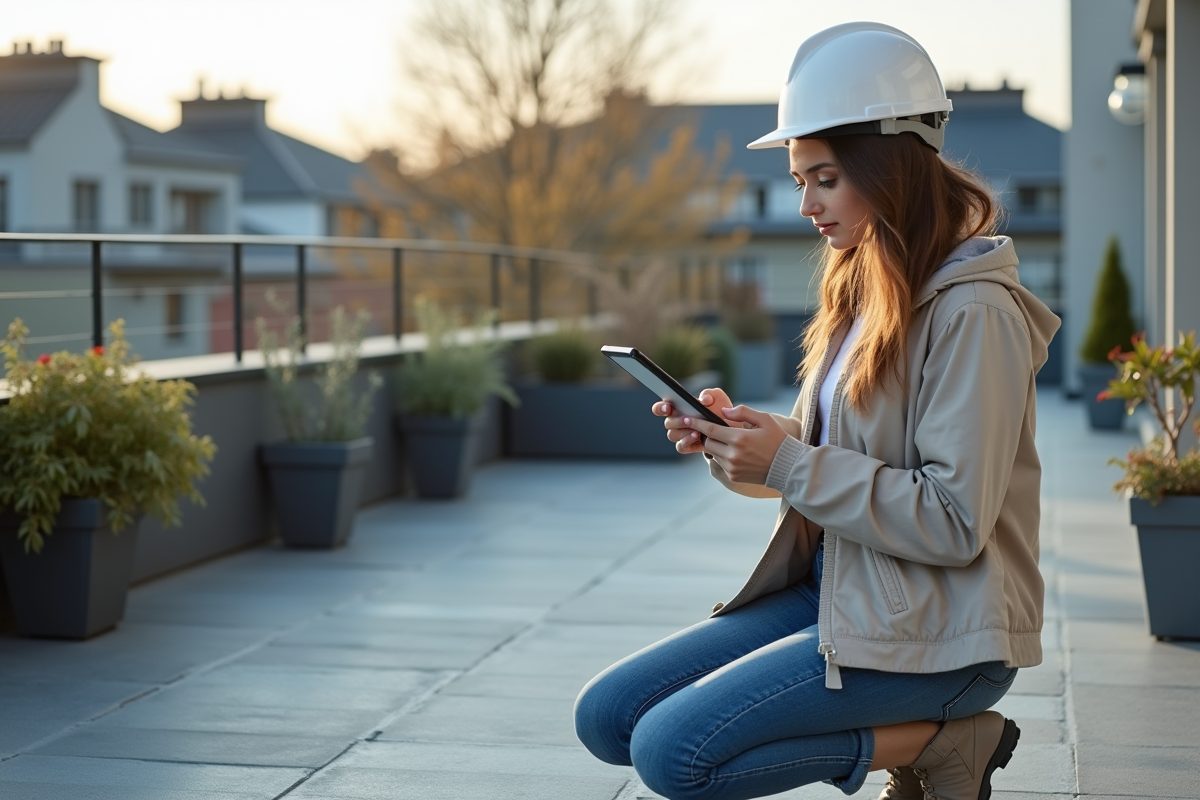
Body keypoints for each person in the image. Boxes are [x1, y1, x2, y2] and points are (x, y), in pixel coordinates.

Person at [573, 21, 1060, 800]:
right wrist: (742, 446)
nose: (805, 204)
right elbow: (835, 457)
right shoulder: (861, 286)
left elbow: (953, 517)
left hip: (941, 635)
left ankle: (943, 741)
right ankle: (925, 739)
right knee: (607, 716)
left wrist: (790, 463)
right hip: (838, 586)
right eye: (801, 180)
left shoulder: (975, 313)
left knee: (672, 755)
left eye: (824, 178)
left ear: (891, 165)